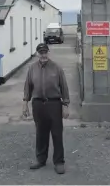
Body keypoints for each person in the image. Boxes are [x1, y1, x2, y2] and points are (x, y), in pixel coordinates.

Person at [22, 42, 70, 175]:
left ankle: (59, 162)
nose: (43, 54)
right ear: (38, 54)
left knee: (56, 133)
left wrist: (65, 105)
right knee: (41, 133)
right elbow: (28, 86)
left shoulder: (57, 68)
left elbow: (64, 87)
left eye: (45, 52)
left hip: (54, 104)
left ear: (48, 52)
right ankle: (41, 160)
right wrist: (25, 103)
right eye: (41, 52)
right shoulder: (32, 68)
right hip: (38, 105)